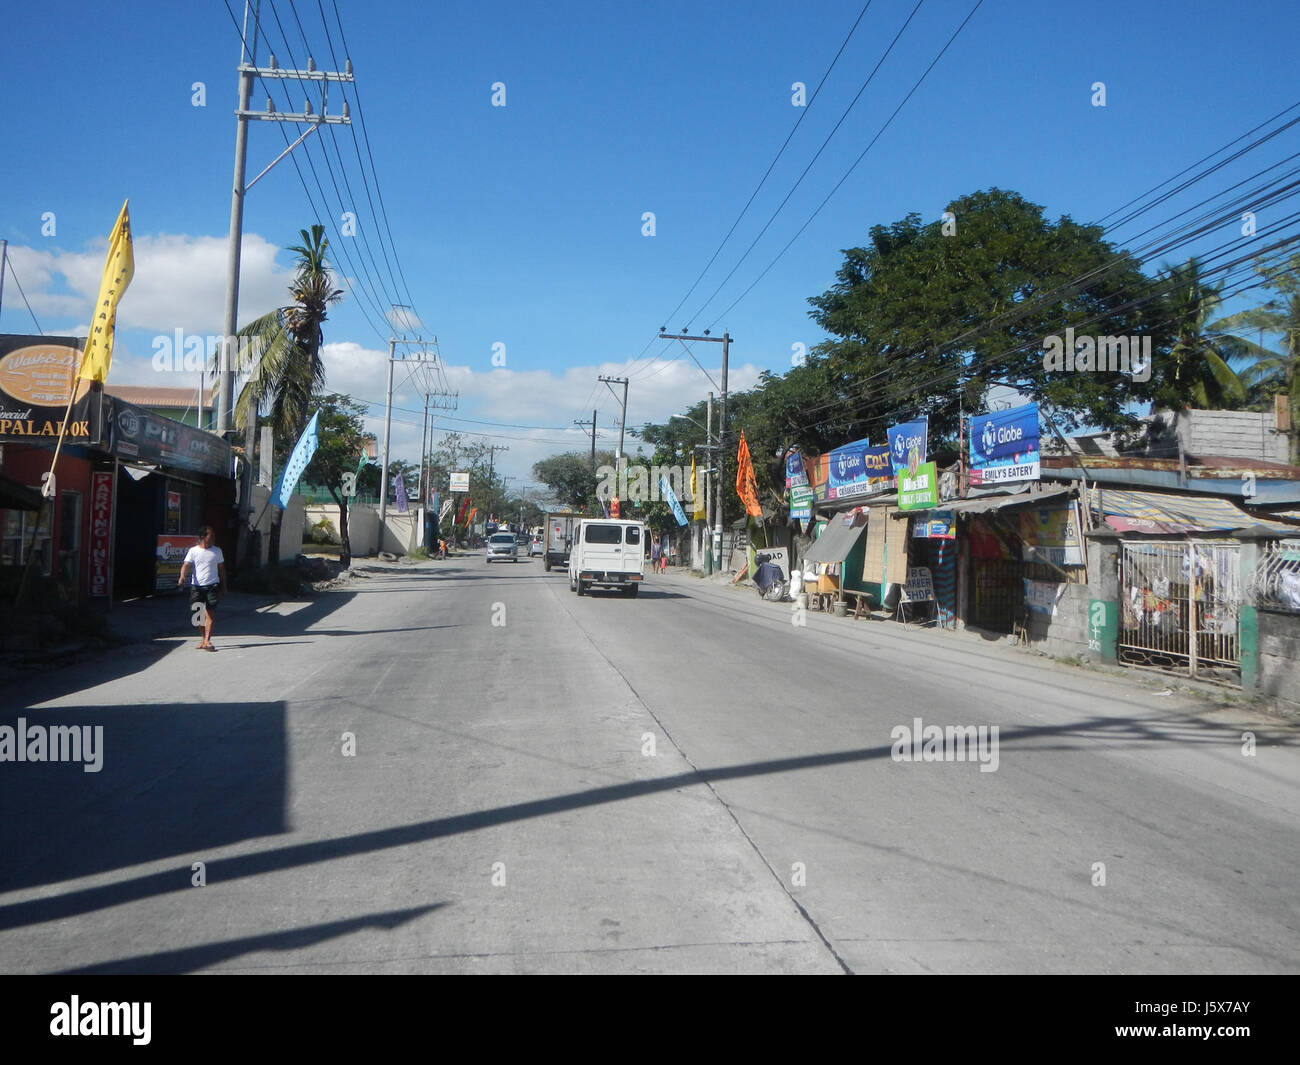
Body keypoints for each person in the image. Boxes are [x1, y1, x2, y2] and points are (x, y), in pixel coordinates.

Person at [178, 525, 227, 651]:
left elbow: (221, 569)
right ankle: (203, 638)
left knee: (210, 613)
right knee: (198, 615)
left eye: (214, 535)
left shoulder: (217, 551)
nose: (213, 538)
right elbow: (186, 565)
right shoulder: (193, 551)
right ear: (202, 537)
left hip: (212, 586)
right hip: (197, 587)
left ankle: (207, 641)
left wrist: (224, 586)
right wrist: (182, 577)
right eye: (211, 535)